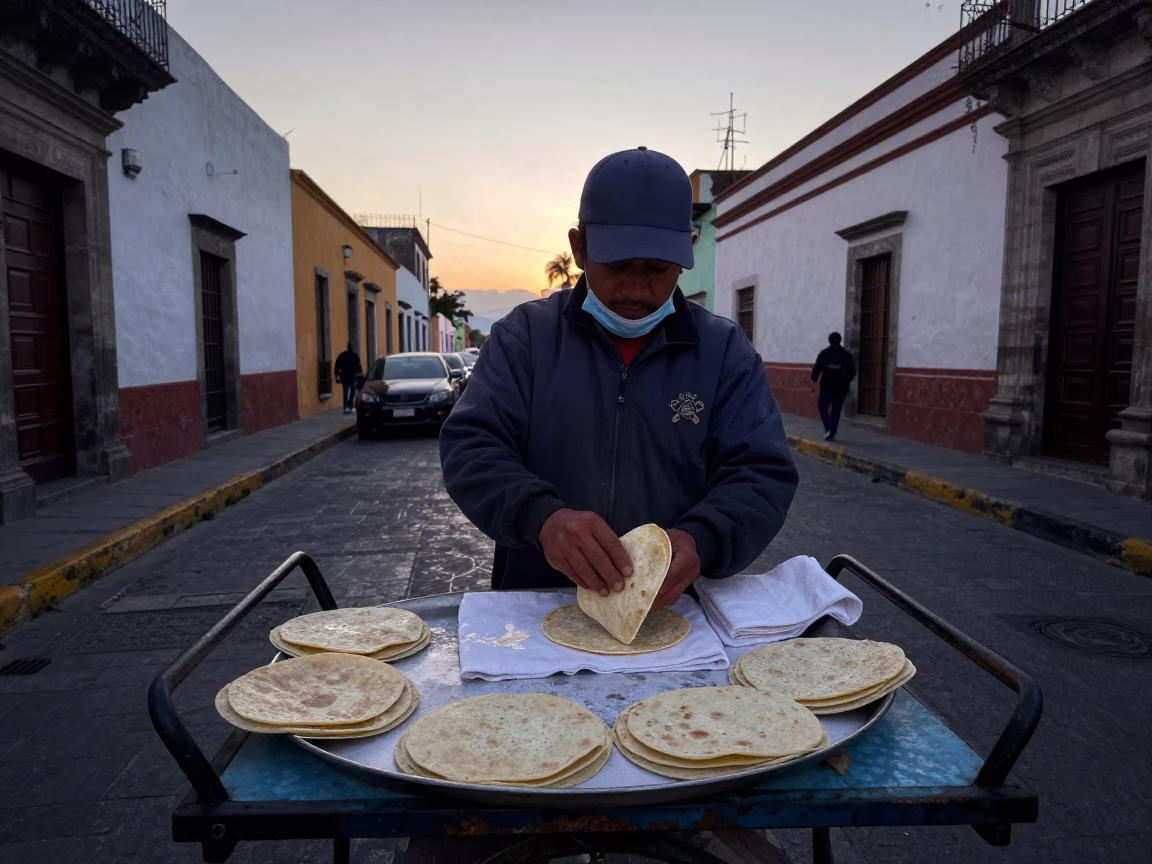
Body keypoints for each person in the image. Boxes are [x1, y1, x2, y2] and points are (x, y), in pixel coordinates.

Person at [439, 146, 799, 606]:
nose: (635, 289)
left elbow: (761, 473)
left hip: (676, 612)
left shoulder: (725, 354)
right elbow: (471, 447)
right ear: (579, 248)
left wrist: (702, 538)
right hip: (536, 607)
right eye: (617, 266)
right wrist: (543, 518)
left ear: (687, 250)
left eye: (657, 269)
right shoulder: (523, 339)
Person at [810, 332, 856, 441]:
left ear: (829, 341)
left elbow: (817, 368)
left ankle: (829, 428)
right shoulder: (846, 355)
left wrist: (814, 378)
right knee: (836, 409)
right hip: (841, 387)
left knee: (822, 406)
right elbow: (853, 371)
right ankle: (832, 430)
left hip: (827, 386)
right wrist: (846, 380)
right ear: (840, 340)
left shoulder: (824, 354)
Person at [333, 343, 362, 414]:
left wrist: (337, 375)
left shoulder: (342, 355)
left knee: (345, 392)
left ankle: (346, 407)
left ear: (347, 347)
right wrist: (360, 378)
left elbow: (337, 365)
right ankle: (350, 406)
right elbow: (358, 368)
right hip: (352, 377)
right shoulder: (355, 356)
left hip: (344, 377)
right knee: (352, 393)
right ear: (353, 348)